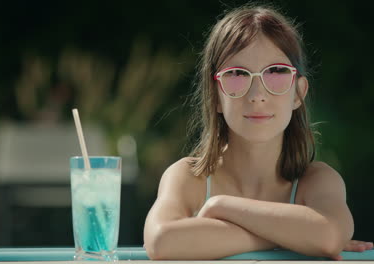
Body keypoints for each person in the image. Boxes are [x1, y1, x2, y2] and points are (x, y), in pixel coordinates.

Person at [143, 4, 373, 261]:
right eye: (237, 74)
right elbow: (161, 241)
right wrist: (295, 236)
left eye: (275, 72)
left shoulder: (317, 181)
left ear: (299, 93)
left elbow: (329, 237)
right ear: (215, 97)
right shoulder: (188, 178)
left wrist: (221, 207)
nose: (257, 95)